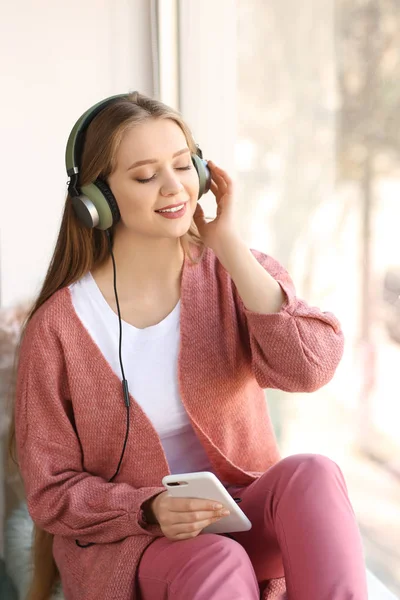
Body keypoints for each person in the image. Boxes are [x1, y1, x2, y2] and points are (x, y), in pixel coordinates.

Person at [11, 92, 368, 600]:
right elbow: (50, 493)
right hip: (136, 541)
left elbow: (310, 370)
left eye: (183, 165)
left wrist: (227, 244)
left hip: (243, 513)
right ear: (98, 201)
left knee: (313, 473)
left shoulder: (232, 274)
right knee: (214, 557)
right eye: (144, 175)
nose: (174, 187)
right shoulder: (56, 330)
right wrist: (148, 507)